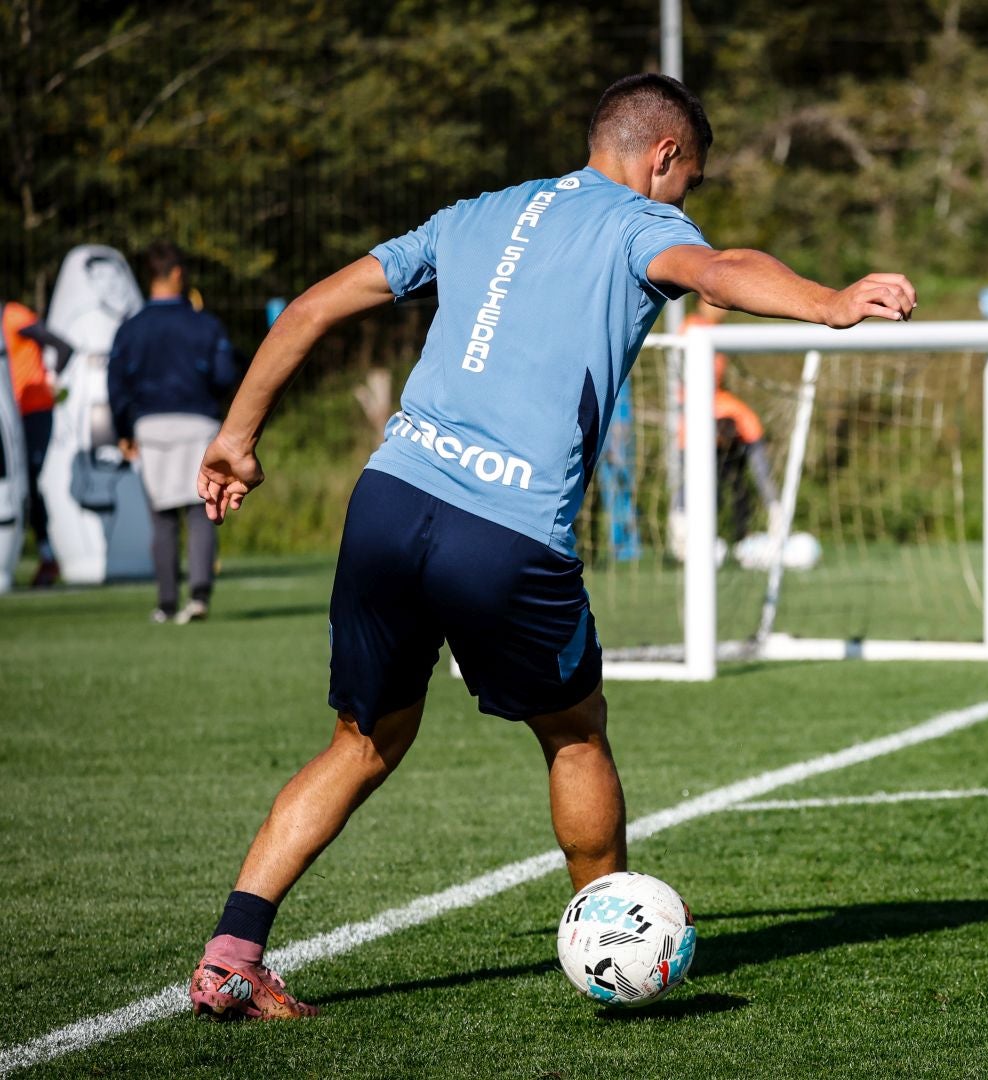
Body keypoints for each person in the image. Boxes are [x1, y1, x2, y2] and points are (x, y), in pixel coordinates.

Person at [186, 73, 916, 1020]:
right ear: (663, 158)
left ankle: (230, 956)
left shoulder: (477, 213)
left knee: (364, 741)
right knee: (574, 733)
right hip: (504, 532)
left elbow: (314, 306)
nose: (684, 206)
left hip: (388, 501)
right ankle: (612, 945)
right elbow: (722, 269)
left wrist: (237, 438)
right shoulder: (637, 224)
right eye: (688, 180)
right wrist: (828, 302)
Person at [106, 243, 239, 622]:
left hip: (149, 425)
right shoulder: (205, 324)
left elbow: (116, 383)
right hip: (199, 422)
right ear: (178, 273)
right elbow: (225, 375)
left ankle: (165, 603)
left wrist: (124, 428)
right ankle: (198, 597)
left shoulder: (130, 328)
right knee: (201, 510)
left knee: (162, 517)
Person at [678, 299, 783, 545]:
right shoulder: (693, 329)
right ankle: (682, 525)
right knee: (701, 480)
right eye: (718, 304)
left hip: (724, 415)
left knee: (741, 476)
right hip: (700, 417)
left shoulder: (718, 334)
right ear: (702, 304)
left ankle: (775, 513)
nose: (724, 310)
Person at [3, 300, 73, 586]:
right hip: (10, 414)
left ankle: (47, 556)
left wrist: (52, 379)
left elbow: (62, 345)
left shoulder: (14, 316)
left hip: (34, 412)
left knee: (29, 482)